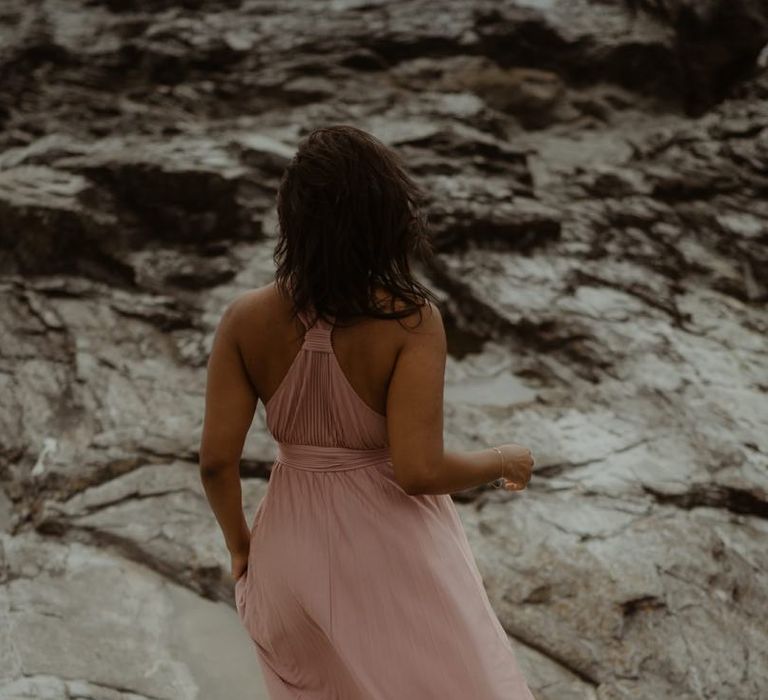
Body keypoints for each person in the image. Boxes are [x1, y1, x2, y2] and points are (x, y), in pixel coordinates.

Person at [199, 125, 536, 698]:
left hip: (288, 555)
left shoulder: (244, 319)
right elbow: (418, 470)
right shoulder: (411, 320)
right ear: (384, 217)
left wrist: (240, 544)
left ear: (293, 218)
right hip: (391, 560)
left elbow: (215, 462)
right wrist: (505, 458)